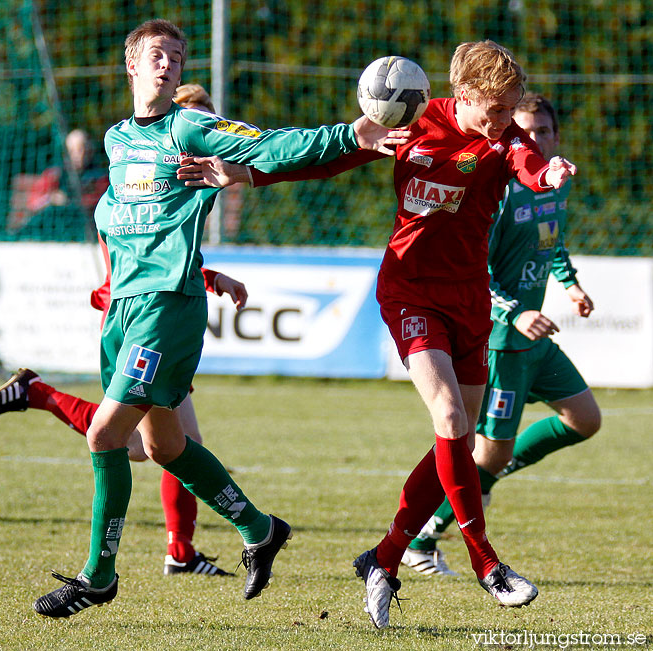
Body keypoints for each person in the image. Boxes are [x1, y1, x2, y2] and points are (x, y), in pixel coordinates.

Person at [182, 40, 577, 629]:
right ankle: (487, 564)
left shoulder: (505, 139)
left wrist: (548, 170)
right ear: (463, 96)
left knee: (461, 440)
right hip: (410, 291)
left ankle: (383, 557)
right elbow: (330, 158)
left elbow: (526, 160)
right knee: (448, 418)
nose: (504, 124)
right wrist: (245, 172)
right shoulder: (412, 121)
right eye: (495, 111)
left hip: (469, 300)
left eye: (511, 113)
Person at [28, 18, 398, 619]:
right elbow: (138, 223)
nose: (167, 64)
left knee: (105, 436)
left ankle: (98, 577)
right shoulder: (117, 139)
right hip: (124, 308)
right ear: (130, 64)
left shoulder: (191, 126)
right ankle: (259, 529)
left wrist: (348, 134)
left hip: (166, 309)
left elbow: (269, 145)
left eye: (176, 56)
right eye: (155, 54)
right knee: (167, 446)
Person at [400, 92, 601, 576]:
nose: (534, 140)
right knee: (488, 450)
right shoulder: (501, 189)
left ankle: (479, 483)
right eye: (526, 132)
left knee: (584, 419)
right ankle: (423, 538)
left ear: (556, 137)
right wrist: (514, 314)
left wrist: (570, 285)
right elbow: (474, 270)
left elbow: (553, 241)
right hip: (503, 338)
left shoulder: (555, 186)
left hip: (534, 336)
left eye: (544, 132)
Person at [0, 265, 247, 578]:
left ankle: (181, 551)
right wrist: (211, 278)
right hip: (144, 316)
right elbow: (152, 251)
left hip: (155, 310)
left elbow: (158, 248)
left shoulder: (124, 216)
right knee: (137, 442)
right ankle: (37, 393)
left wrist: (209, 279)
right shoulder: (122, 215)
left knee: (177, 441)